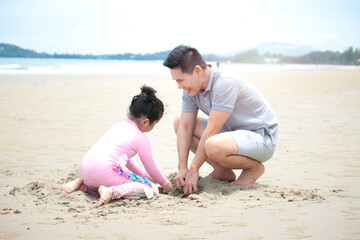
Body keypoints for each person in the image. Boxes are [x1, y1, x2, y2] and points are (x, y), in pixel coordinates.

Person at [163, 45, 278, 195]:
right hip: (231, 133)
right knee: (179, 123)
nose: (179, 86)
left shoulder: (225, 82)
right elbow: (185, 127)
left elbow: (212, 130)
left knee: (212, 145)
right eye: (176, 81)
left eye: (180, 80)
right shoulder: (190, 89)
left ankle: (253, 168)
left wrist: (194, 168)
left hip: (262, 138)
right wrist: (182, 168)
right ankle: (222, 170)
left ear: (197, 71)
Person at [60, 85, 173, 206]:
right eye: (154, 124)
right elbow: (152, 168)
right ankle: (112, 191)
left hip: (86, 170)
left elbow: (128, 162)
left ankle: (83, 184)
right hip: (104, 173)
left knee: (127, 179)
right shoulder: (141, 138)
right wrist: (166, 184)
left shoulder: (118, 127)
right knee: (151, 188)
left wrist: (145, 176)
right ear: (145, 122)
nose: (153, 128)